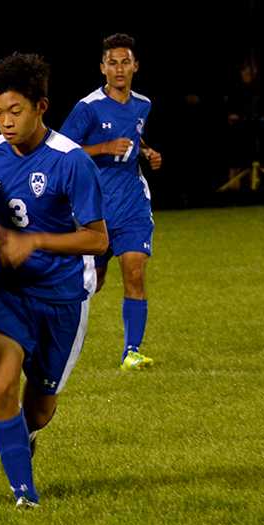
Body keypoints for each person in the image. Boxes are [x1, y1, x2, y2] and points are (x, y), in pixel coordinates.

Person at [0, 53, 107, 508]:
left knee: (41, 407)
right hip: (8, 292)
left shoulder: (71, 162)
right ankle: (24, 494)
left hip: (65, 296)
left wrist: (36, 243)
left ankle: (23, 439)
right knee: (0, 383)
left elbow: (96, 239)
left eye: (15, 111)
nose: (6, 122)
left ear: (41, 107)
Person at [60, 33, 162, 371]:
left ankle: (131, 351)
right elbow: (63, 151)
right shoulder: (87, 108)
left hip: (132, 203)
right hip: (95, 209)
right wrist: (103, 149)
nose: (119, 69)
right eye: (112, 63)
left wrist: (145, 151)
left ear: (135, 66)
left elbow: (133, 134)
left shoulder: (143, 104)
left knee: (134, 271)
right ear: (103, 68)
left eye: (125, 62)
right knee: (93, 282)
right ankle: (54, 330)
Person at [222, 58, 264, 191]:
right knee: (235, 164)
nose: (248, 73)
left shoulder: (259, 89)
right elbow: (228, 111)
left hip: (254, 132)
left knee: (253, 164)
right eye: (245, 70)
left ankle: (253, 194)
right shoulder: (234, 89)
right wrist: (231, 116)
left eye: (251, 70)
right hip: (237, 132)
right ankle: (233, 194)